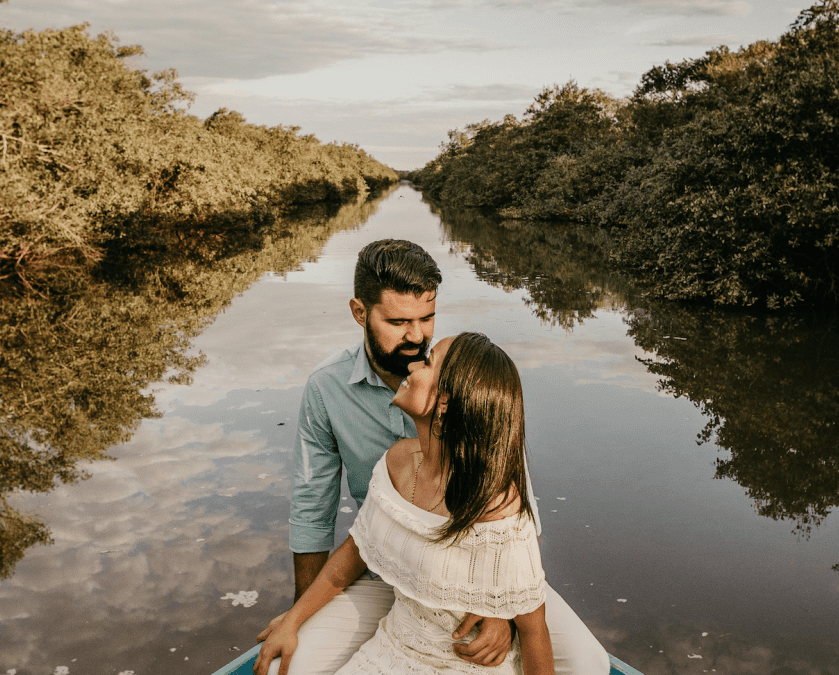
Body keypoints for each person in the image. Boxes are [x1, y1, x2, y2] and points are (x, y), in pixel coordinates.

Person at [259, 239, 609, 674]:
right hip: (386, 569)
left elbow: (512, 504)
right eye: (398, 321)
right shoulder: (327, 388)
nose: (417, 336)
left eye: (427, 318)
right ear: (359, 312)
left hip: (477, 574)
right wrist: (302, 614)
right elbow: (313, 508)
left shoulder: (460, 380)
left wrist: (499, 608)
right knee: (289, 664)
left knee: (589, 661)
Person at [255, 333, 553, 675]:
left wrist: (502, 614)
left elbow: (534, 632)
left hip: (466, 663)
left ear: (444, 402)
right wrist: (292, 621)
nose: (412, 364)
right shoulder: (395, 462)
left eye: (426, 363)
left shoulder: (495, 503)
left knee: (588, 660)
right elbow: (353, 553)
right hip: (394, 645)